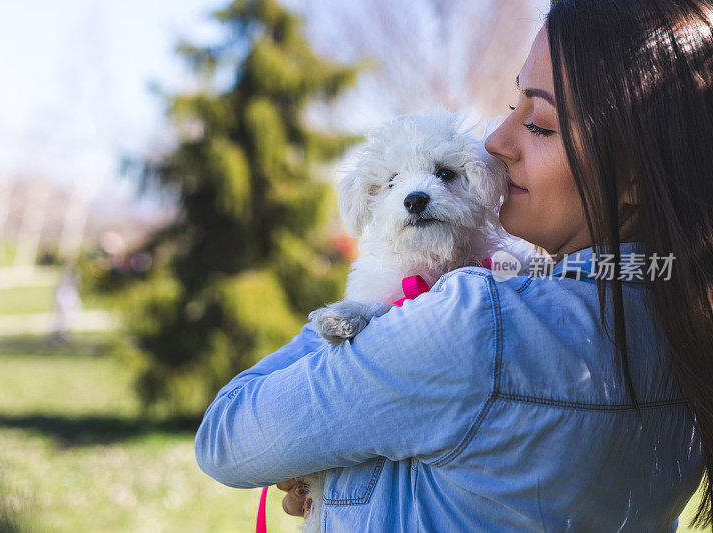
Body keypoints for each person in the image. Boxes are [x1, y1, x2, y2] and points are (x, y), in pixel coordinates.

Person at [195, 0, 713, 530]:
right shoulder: (680, 309)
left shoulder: (473, 322)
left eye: (538, 124)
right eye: (513, 105)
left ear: (634, 176)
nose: (495, 141)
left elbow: (226, 437)